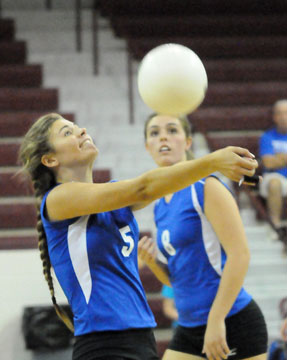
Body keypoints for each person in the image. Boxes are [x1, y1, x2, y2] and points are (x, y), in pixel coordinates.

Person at [19, 113, 258, 360]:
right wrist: (213, 162)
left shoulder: (113, 196)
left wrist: (221, 168)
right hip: (102, 344)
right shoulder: (58, 199)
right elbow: (142, 187)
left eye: (77, 127)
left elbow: (152, 188)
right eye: (66, 133)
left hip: (141, 338)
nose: (81, 131)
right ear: (50, 159)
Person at [138, 114, 268, 360]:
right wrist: (152, 262)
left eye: (172, 130)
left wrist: (216, 320)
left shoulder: (206, 187)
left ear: (187, 142)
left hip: (233, 322)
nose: (163, 136)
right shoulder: (159, 205)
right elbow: (176, 282)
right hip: (188, 328)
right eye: (154, 133)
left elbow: (240, 255)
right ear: (147, 146)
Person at [259, 99, 287, 240]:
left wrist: (281, 158)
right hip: (274, 177)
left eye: (286, 113)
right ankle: (275, 225)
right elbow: (268, 163)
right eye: (280, 114)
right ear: (274, 117)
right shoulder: (267, 137)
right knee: (275, 184)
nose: (283, 117)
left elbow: (274, 159)